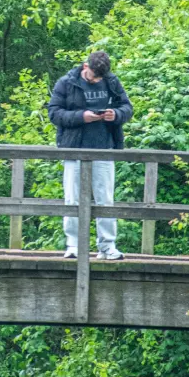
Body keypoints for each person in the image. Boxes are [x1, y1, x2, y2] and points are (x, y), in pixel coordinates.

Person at [48, 49, 133, 261]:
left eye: (99, 77)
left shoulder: (111, 81)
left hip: (104, 148)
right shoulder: (66, 83)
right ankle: (74, 246)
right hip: (74, 148)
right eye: (94, 76)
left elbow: (127, 108)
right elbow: (54, 113)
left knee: (106, 200)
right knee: (72, 199)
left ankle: (107, 247)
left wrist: (116, 115)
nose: (96, 80)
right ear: (86, 67)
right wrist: (81, 117)